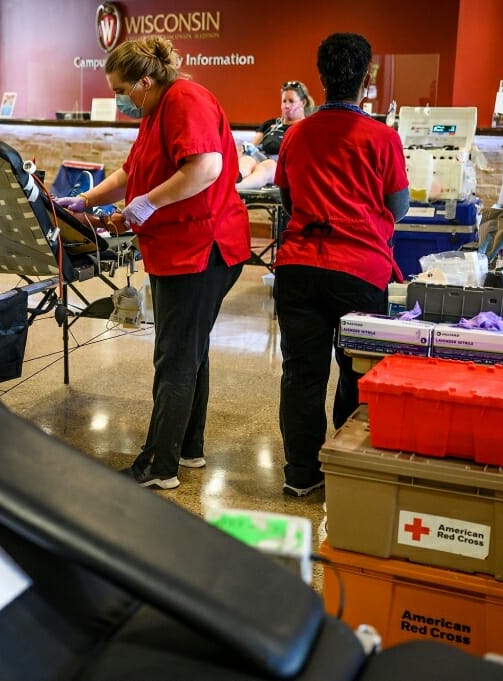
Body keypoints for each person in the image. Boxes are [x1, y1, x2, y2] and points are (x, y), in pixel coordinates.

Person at [56, 37, 249, 490]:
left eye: (122, 90)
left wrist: (145, 204)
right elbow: (130, 173)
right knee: (187, 348)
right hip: (177, 247)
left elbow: (205, 168)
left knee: (176, 356)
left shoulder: (185, 99)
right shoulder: (154, 110)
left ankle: (159, 466)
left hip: (203, 247)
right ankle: (188, 448)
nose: (119, 99)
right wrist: (82, 201)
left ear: (146, 80)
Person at [272, 33, 410, 497]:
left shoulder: (296, 134)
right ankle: (349, 469)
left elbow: (288, 200)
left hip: (298, 268)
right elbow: (400, 205)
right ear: (366, 77)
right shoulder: (383, 138)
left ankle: (300, 474)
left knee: (301, 372)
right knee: (357, 371)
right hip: (360, 271)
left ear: (321, 78)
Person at [237, 80, 315, 190]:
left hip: (281, 168)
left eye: (291, 101)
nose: (286, 106)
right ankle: (227, 185)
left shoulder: (306, 127)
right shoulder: (270, 124)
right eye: (284, 101)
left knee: (268, 166)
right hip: (259, 158)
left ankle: (234, 189)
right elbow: (251, 146)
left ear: (303, 102)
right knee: (246, 160)